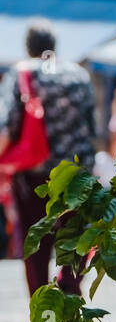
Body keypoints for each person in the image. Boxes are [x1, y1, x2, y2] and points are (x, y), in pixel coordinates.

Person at [0, 19, 95, 296]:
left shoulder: (22, 74)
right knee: (76, 235)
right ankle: (70, 290)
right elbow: (93, 128)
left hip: (35, 173)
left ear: (28, 46)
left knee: (36, 239)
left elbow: (6, 126)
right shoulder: (79, 74)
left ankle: (44, 302)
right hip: (78, 171)